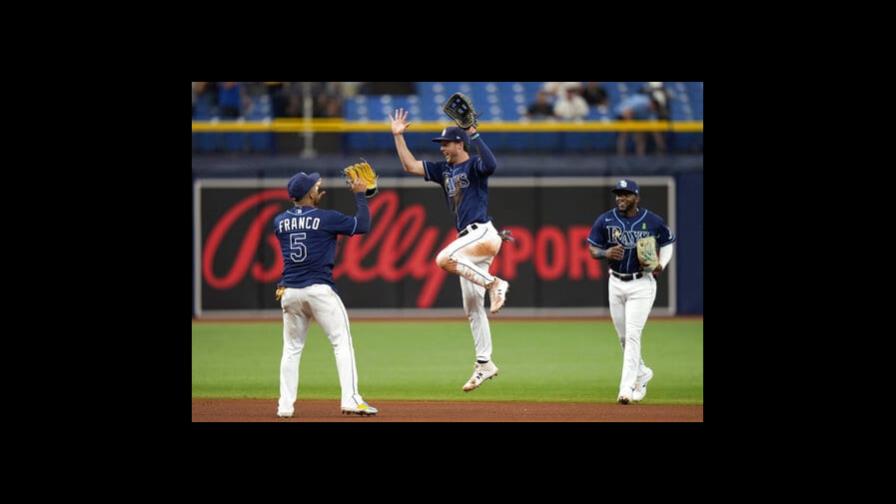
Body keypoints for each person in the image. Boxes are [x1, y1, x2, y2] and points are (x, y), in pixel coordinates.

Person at [389, 107, 509, 392]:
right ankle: (484, 363)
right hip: (470, 244)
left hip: (481, 232)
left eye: (446, 143)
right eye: (440, 144)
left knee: (444, 258)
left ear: (459, 144)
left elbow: (491, 165)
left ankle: (495, 283)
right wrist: (398, 137)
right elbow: (410, 166)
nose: (442, 148)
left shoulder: (474, 165)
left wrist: (474, 133)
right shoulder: (444, 170)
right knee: (472, 307)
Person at [273, 171, 378, 417]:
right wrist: (360, 196)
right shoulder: (326, 218)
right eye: (315, 186)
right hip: (319, 290)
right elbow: (362, 225)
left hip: (290, 291)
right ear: (309, 193)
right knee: (341, 342)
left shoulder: (279, 221)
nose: (319, 188)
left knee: (291, 349)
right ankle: (351, 399)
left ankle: (285, 407)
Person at [587, 179, 676, 404]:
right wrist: (605, 253)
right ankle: (642, 373)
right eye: (618, 194)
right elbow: (592, 248)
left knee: (633, 335)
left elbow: (667, 242)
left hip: (642, 283)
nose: (621, 198)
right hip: (615, 282)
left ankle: (626, 388)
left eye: (626, 194)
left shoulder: (652, 220)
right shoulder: (606, 220)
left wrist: (661, 264)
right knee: (624, 338)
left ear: (636, 197)